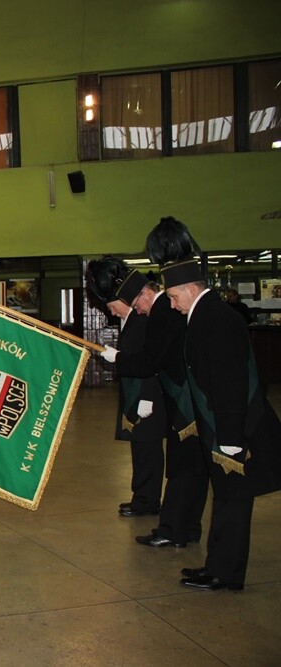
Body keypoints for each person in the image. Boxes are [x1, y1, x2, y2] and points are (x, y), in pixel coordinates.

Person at [149, 216, 281, 591]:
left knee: (234, 501)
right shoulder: (204, 315)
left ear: (190, 288)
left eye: (173, 297)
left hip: (237, 430)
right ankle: (217, 565)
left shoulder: (217, 319)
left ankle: (225, 573)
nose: (172, 305)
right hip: (224, 428)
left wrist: (232, 438)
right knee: (225, 497)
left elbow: (230, 383)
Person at [100, 271, 207, 548]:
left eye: (136, 305)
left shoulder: (161, 312)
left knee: (182, 469)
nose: (137, 311)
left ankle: (173, 529)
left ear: (146, 293)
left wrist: (118, 358)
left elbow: (150, 363)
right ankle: (188, 528)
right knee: (193, 468)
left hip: (182, 402)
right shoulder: (164, 311)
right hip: (185, 398)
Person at [86, 257, 165, 518]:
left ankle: (147, 500)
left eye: (111, 306)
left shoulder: (141, 320)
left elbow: (149, 361)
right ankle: (141, 496)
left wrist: (147, 398)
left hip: (147, 396)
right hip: (137, 394)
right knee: (140, 448)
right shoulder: (133, 319)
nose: (112, 312)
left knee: (148, 450)